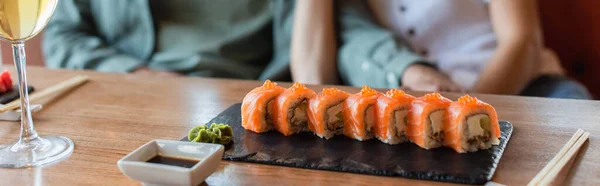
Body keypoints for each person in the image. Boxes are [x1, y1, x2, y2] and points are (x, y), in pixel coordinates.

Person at [293, 0, 591, 99]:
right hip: (435, 118)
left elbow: (522, 41)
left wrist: (470, 111)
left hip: (533, 92)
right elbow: (311, 76)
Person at [43, 0, 295, 81]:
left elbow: (309, 63)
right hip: (125, 96)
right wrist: (138, 74)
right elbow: (61, 36)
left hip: (240, 101)